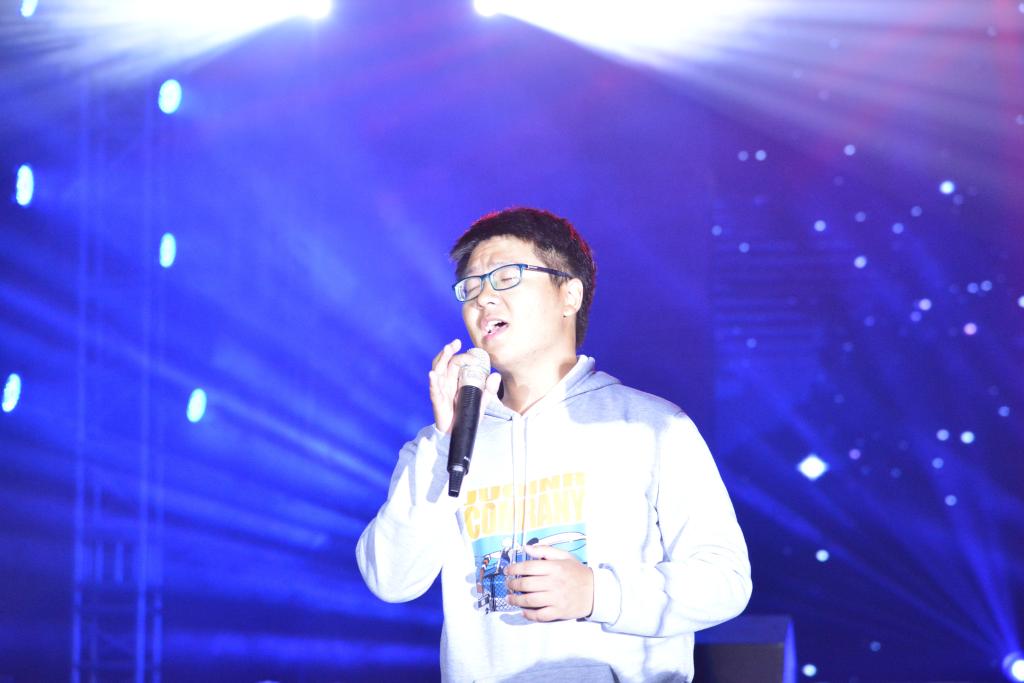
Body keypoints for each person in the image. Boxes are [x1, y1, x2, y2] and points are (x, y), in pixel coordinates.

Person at [356, 207, 751, 682]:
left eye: (505, 276)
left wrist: (597, 594)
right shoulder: (441, 443)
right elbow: (390, 579)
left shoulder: (652, 426)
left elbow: (725, 581)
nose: (483, 298)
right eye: (471, 286)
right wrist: (443, 444)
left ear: (569, 294)